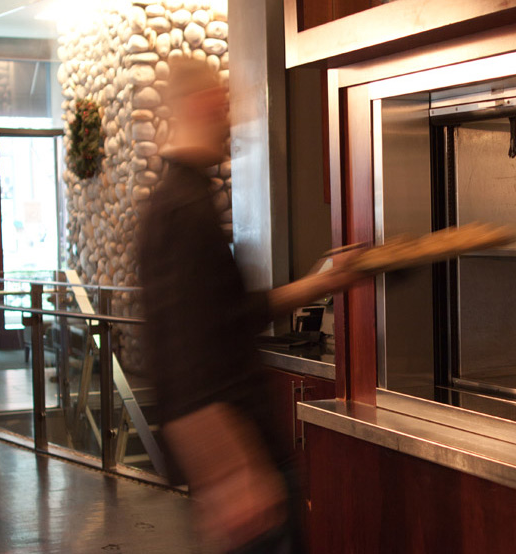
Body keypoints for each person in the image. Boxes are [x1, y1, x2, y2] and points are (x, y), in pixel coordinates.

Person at [138, 58, 364, 554]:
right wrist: (231, 469)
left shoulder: (181, 199)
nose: (232, 119)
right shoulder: (183, 211)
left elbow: (232, 315)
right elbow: (182, 358)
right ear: (205, 103)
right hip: (241, 456)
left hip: (242, 452)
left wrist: (322, 281)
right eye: (225, 104)